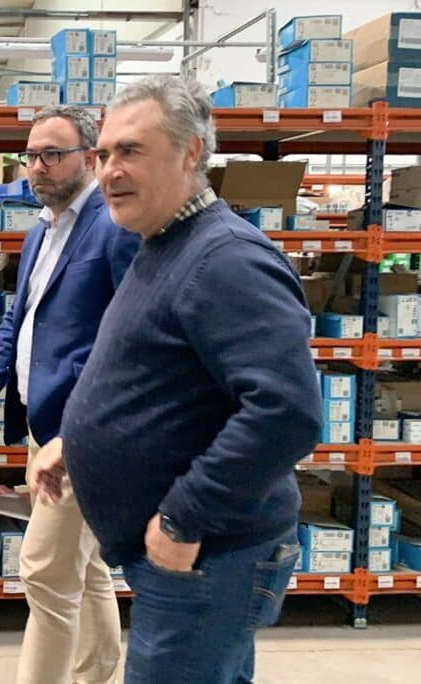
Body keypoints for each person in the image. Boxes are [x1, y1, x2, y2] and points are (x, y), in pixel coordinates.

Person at [30, 75, 322, 683]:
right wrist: (74, 442)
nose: (110, 170)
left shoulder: (226, 259)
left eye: (131, 151)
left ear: (191, 152)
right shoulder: (161, 243)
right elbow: (156, 375)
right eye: (104, 153)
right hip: (185, 554)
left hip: (207, 554)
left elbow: (285, 413)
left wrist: (183, 518)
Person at [0, 104, 139, 684]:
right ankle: (96, 673)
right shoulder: (41, 232)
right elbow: (19, 320)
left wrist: (82, 425)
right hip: (42, 426)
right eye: (31, 155)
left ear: (90, 158)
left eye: (52, 154)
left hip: (84, 432)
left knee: (44, 573)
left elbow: (132, 337)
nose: (37, 167)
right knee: (82, 568)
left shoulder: (113, 229)